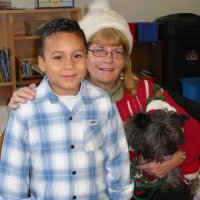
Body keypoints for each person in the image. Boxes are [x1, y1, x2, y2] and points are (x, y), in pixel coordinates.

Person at [8, 0, 200, 199]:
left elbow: (195, 130)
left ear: (125, 59)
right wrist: (24, 102)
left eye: (117, 52)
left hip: (158, 188)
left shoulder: (147, 90)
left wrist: (179, 157)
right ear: (82, 55)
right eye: (99, 50)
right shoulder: (63, 98)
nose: (109, 59)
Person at [0, 18, 134, 199]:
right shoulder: (26, 110)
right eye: (58, 57)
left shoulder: (103, 103)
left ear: (86, 58)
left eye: (77, 56)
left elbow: (118, 164)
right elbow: (12, 183)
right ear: (42, 63)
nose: (69, 65)